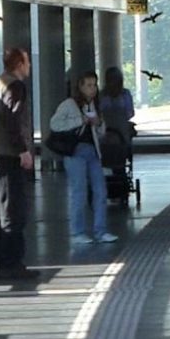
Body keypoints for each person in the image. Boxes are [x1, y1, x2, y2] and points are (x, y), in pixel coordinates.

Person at [0, 48, 38, 281]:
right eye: (27, 62)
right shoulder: (15, 87)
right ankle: (13, 264)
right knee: (12, 211)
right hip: (7, 156)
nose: (29, 66)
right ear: (19, 64)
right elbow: (12, 120)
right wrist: (23, 150)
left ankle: (2, 264)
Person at [51, 71, 118, 244]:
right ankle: (77, 232)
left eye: (94, 85)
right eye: (88, 85)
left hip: (93, 152)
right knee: (79, 191)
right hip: (75, 153)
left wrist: (98, 124)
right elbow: (55, 124)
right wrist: (80, 120)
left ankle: (100, 230)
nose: (92, 89)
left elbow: (101, 132)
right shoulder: (69, 104)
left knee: (100, 190)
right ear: (80, 87)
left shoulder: (95, 105)